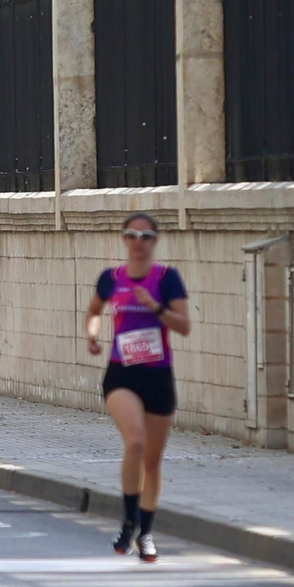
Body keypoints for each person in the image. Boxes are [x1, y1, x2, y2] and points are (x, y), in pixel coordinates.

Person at [84, 211, 190, 564]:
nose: (138, 242)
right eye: (131, 235)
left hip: (158, 376)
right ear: (124, 240)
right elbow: (94, 311)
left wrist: (155, 307)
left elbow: (184, 325)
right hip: (121, 375)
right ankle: (128, 521)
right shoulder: (111, 278)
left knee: (153, 462)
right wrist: (93, 335)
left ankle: (146, 533)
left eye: (145, 236)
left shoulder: (166, 279)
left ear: (155, 241)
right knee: (136, 440)